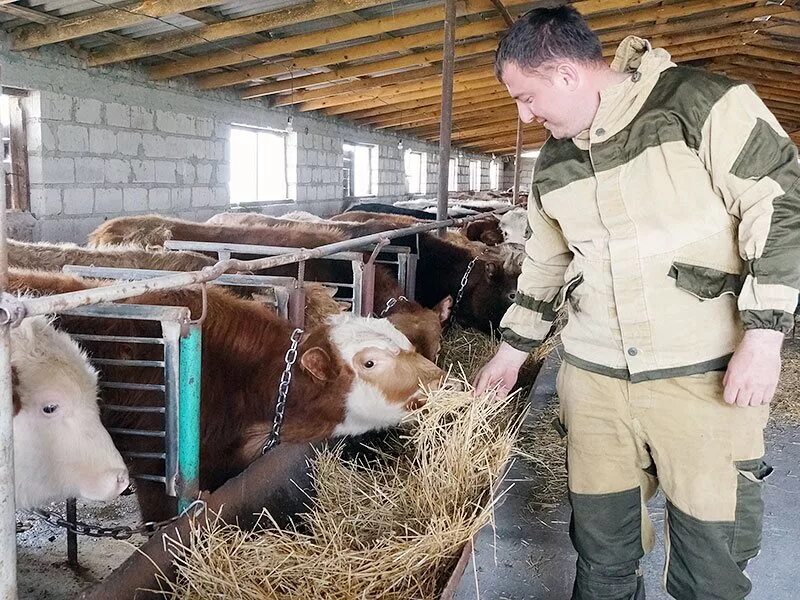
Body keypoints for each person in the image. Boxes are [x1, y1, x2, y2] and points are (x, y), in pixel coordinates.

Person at [473, 6, 800, 599]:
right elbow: (547, 263)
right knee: (601, 553)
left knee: (712, 561)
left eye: (526, 97)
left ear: (567, 75)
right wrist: (510, 352)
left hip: (701, 374)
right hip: (595, 380)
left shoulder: (703, 104)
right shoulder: (555, 160)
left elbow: (780, 208)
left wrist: (765, 336)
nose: (523, 115)